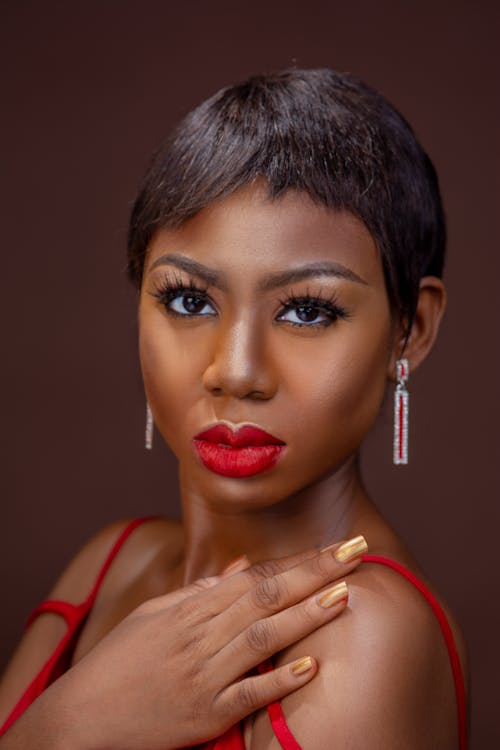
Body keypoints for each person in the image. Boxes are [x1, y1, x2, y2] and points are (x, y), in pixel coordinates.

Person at [0, 67, 468, 749]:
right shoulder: (109, 563)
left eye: (308, 310)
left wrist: (68, 727)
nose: (235, 371)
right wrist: (72, 722)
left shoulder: (363, 632)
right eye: (189, 301)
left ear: (412, 329)